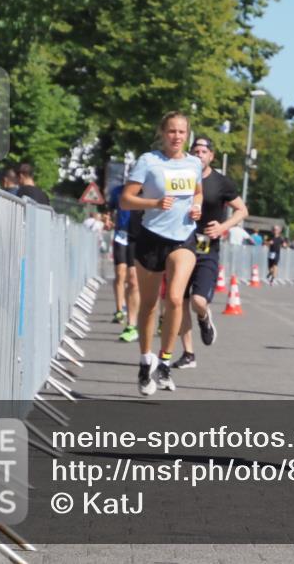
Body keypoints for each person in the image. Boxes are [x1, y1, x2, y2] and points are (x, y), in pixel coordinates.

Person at [121, 111, 204, 396]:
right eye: (171, 131)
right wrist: (154, 202)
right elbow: (126, 200)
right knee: (149, 305)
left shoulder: (194, 163)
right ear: (162, 132)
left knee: (175, 298)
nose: (177, 137)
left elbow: (198, 193)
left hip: (183, 237)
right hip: (151, 237)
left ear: (187, 134)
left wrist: (197, 207)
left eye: (182, 132)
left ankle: (165, 362)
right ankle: (146, 361)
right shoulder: (148, 161)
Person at [172, 136, 249, 369]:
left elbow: (242, 210)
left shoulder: (221, 182)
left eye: (203, 151)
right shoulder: (181, 179)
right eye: (195, 150)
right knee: (180, 301)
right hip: (181, 245)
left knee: (197, 300)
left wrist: (223, 227)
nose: (199, 154)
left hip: (207, 249)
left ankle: (204, 318)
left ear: (211, 156)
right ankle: (188, 354)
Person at [107, 182, 142, 340]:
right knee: (120, 274)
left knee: (133, 279)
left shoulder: (145, 191)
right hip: (121, 235)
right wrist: (107, 219)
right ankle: (120, 309)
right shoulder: (118, 191)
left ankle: (132, 321)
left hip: (138, 236)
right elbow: (109, 209)